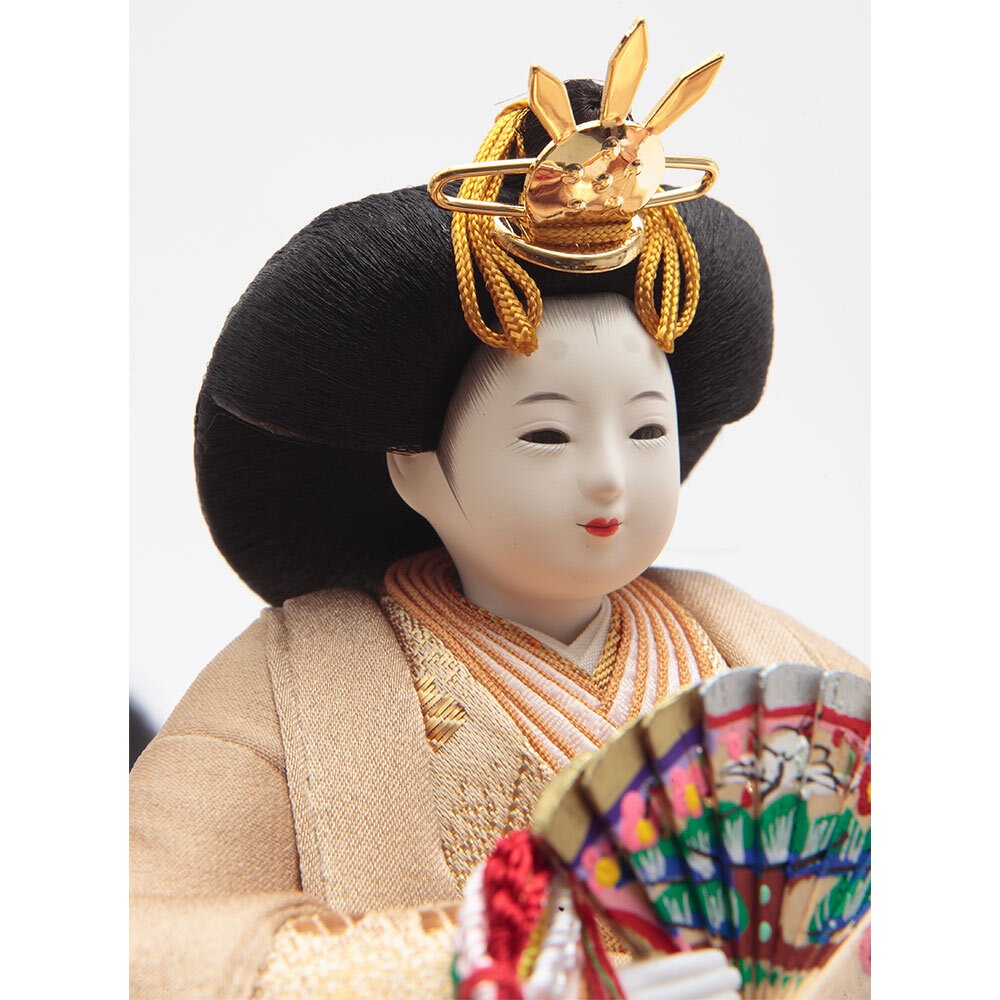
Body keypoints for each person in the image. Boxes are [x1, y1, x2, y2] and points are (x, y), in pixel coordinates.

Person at [130, 43, 869, 998]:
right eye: (548, 435)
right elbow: (133, 936)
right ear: (415, 470)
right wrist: (464, 968)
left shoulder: (751, 648)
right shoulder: (293, 686)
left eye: (648, 430)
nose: (610, 477)